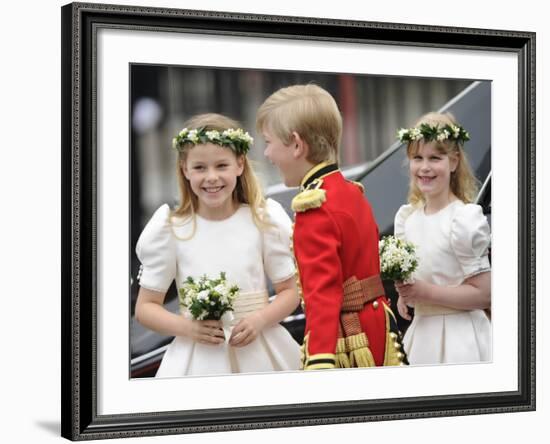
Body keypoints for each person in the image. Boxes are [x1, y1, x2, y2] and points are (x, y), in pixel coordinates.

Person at [134, 113, 301, 377]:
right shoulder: (171, 228)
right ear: (185, 169)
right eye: (200, 167)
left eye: (221, 165)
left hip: (261, 350)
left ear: (239, 164)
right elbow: (145, 308)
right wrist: (188, 327)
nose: (211, 177)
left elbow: (290, 291)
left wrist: (260, 320)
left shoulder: (263, 220)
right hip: (197, 360)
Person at [256, 84, 407, 370]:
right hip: (376, 326)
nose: (267, 154)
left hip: (347, 340)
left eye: (268, 142)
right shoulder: (351, 191)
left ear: (297, 145)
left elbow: (322, 295)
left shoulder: (314, 206)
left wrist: (319, 359)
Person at [393, 112, 491, 365]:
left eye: (435, 158)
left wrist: (426, 292)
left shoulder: (463, 220)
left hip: (461, 338)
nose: (425, 167)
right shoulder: (408, 219)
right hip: (422, 335)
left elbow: (485, 294)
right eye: (417, 158)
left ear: (453, 162)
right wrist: (406, 294)